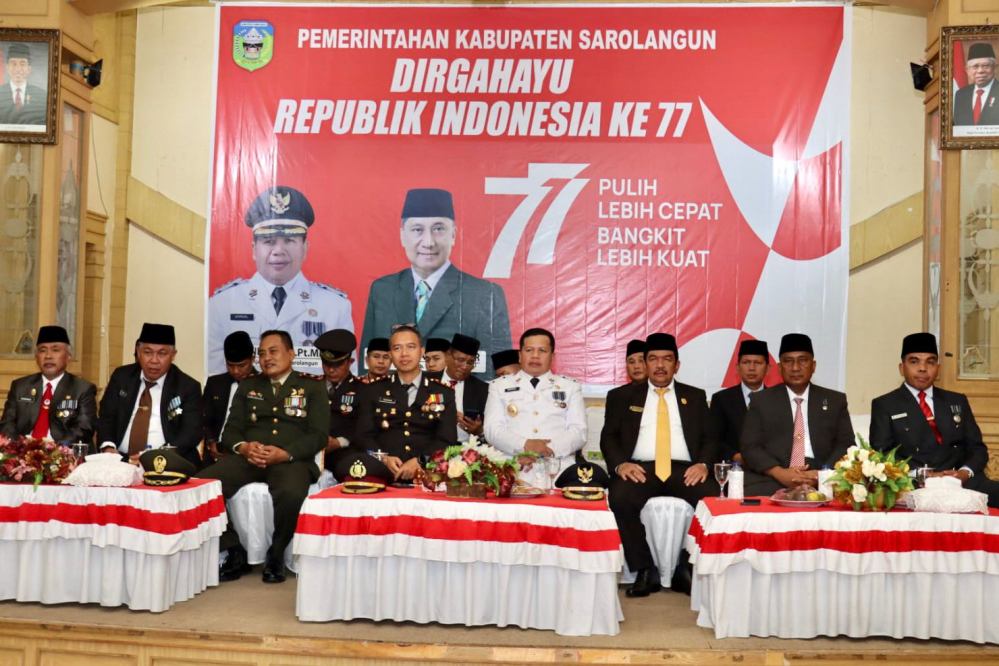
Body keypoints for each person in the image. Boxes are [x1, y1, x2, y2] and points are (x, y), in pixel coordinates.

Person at [198, 330, 330, 584]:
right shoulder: (249, 385)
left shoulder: (312, 386)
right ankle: (234, 549)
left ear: (291, 354)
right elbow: (230, 432)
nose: (266, 357)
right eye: (261, 353)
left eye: (273, 351)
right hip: (250, 458)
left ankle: (276, 553)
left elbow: (318, 435)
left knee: (291, 492)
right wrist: (244, 448)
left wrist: (286, 453)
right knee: (203, 485)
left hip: (291, 459)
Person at [599, 333, 719, 597]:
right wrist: (620, 465)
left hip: (685, 469)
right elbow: (609, 437)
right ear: (645, 363)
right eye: (653, 359)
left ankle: (685, 566)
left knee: (712, 497)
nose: (660, 365)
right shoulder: (621, 396)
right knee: (620, 497)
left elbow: (711, 438)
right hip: (640, 468)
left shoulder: (695, 396)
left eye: (667, 359)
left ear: (677, 365)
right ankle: (644, 569)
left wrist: (703, 464)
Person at [360, 188, 511, 376]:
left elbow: (496, 368)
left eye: (438, 229)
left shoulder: (484, 294)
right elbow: (367, 360)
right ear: (402, 235)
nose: (428, 242)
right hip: (391, 394)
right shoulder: (383, 289)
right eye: (417, 230)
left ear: (453, 234)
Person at [207, 186, 352, 376]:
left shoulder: (334, 307)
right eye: (269, 241)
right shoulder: (222, 304)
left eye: (289, 240)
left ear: (305, 247)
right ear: (253, 249)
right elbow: (216, 375)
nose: (278, 251)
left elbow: (343, 376)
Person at [870, 332, 999, 507]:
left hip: (961, 481)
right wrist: (922, 475)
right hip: (914, 483)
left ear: (938, 368)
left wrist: (964, 473)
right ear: (901, 368)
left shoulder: (957, 400)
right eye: (914, 361)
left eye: (930, 362)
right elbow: (882, 455)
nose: (923, 368)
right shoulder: (885, 404)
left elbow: (977, 448)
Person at [741, 333, 853, 497]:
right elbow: (750, 447)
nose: (795, 368)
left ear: (813, 366)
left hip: (820, 472)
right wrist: (779, 472)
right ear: (780, 367)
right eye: (788, 361)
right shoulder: (761, 400)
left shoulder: (835, 400)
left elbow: (846, 444)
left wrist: (821, 474)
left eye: (803, 360)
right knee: (747, 489)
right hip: (775, 473)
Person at [351, 325, 457, 481]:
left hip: (428, 474)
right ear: (390, 354)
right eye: (397, 348)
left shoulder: (443, 392)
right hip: (384, 472)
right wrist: (383, 458)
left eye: (411, 347)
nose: (404, 354)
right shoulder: (373, 390)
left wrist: (421, 460)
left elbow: (447, 439)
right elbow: (363, 436)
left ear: (421, 351)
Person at [483, 328, 586, 489]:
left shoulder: (570, 387)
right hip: (513, 469)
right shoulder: (499, 386)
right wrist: (525, 445)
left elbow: (579, 431)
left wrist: (548, 449)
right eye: (529, 350)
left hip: (558, 471)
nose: (535, 356)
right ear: (520, 355)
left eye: (542, 350)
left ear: (552, 356)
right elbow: (492, 430)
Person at [97, 323, 203, 466]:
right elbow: (106, 417)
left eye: (162, 353)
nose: (154, 360)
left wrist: (157, 456)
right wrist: (108, 447)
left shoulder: (187, 387)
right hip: (119, 461)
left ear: (173, 355)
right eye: (147, 352)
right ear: (138, 352)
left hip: (166, 463)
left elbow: (191, 433)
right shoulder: (122, 377)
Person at [0, 325, 96, 446]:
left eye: (55, 350)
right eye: (42, 350)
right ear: (36, 357)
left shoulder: (83, 388)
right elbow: (7, 423)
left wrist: (53, 450)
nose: (48, 356)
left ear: (68, 356)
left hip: (64, 451)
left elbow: (84, 428)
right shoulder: (20, 386)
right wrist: (20, 447)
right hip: (24, 450)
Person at [709, 339, 770, 464]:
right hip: (734, 466)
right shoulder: (721, 399)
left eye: (757, 363)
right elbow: (713, 439)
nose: (751, 368)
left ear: (767, 368)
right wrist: (735, 456)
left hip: (771, 467)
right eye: (746, 362)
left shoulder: (778, 399)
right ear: (737, 367)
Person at [202, 331, 257, 465]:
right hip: (215, 452)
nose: (236, 371)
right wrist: (211, 442)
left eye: (241, 365)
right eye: (230, 365)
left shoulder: (264, 384)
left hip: (248, 455)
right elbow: (204, 419)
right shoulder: (215, 384)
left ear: (253, 358)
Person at [313, 328, 362, 474]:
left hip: (345, 452)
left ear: (350, 362)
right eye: (327, 364)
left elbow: (364, 427)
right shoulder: (311, 387)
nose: (331, 370)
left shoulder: (363, 389)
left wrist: (339, 442)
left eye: (337, 364)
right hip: (311, 451)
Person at [441, 334, 488, 441]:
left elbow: (492, 432)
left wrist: (479, 431)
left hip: (467, 448)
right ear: (448, 356)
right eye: (460, 360)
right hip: (431, 447)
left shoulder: (483, 389)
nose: (465, 366)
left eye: (470, 362)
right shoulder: (427, 381)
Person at [0, 43, 47, 127]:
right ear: (7, 68)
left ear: (29, 69)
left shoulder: (42, 96)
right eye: (13, 64)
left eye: (22, 64)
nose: (18, 69)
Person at [953, 42, 999, 127]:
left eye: (985, 66)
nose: (980, 71)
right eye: (975, 66)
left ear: (994, 68)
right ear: (967, 70)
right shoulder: (961, 94)